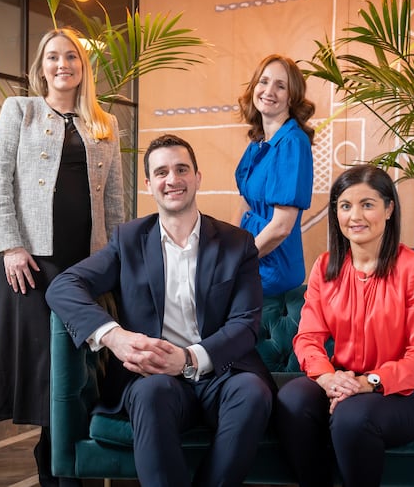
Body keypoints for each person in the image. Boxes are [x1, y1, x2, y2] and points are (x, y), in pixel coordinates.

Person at [46, 134, 274, 487]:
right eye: (162, 172)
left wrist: (188, 358)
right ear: (150, 184)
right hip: (153, 375)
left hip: (221, 372)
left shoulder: (236, 243)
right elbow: (63, 286)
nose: (173, 179)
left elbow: (245, 324)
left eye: (182, 169)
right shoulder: (129, 239)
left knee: (252, 393)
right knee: (151, 395)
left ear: (198, 177)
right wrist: (115, 337)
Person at [0, 27, 124, 486]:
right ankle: (54, 468)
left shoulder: (105, 122)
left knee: (82, 365)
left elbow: (115, 199)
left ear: (84, 67)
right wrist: (11, 245)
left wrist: (117, 258)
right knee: (46, 369)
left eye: (72, 57)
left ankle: (70, 463)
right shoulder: (19, 111)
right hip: (32, 264)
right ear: (41, 67)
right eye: (53, 57)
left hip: (86, 263)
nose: (63, 65)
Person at [275, 165, 414, 487]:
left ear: (389, 209)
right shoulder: (325, 266)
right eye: (345, 205)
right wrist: (328, 378)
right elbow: (308, 337)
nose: (355, 216)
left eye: (368, 204)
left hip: (402, 393)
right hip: (343, 380)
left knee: (352, 417)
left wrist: (369, 383)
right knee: (293, 399)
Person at [234, 54, 315, 296]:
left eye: (281, 86)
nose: (269, 91)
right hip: (251, 255)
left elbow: (281, 227)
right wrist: (228, 250)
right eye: (264, 81)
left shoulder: (292, 142)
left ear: (292, 97)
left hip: (272, 267)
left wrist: (237, 263)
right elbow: (245, 203)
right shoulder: (258, 142)